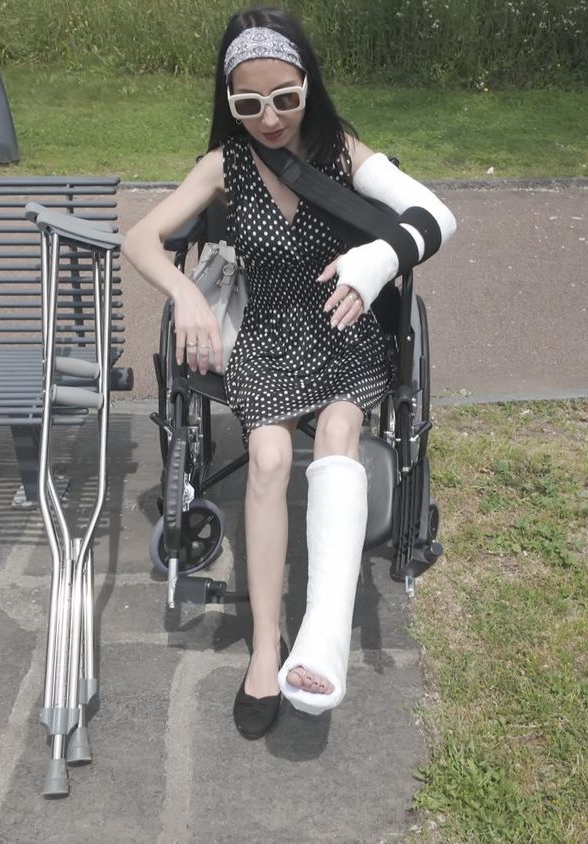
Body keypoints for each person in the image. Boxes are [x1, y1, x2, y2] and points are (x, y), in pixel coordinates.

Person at [123, 7, 456, 739]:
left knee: (338, 434)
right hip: (270, 336)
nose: (269, 118)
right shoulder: (226, 164)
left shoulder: (341, 152)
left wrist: (377, 263)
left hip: (342, 329)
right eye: (249, 104)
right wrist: (185, 295)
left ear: (309, 85)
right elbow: (141, 238)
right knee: (270, 459)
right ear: (229, 100)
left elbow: (433, 214)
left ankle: (322, 636)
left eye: (285, 98)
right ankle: (268, 648)